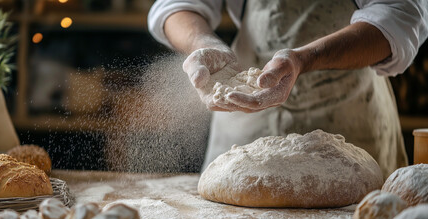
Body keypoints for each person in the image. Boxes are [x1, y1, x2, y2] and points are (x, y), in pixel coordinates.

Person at [148, 0, 428, 178]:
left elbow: (400, 16)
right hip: (244, 110)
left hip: (350, 117)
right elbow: (176, 5)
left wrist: (305, 58)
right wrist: (203, 43)